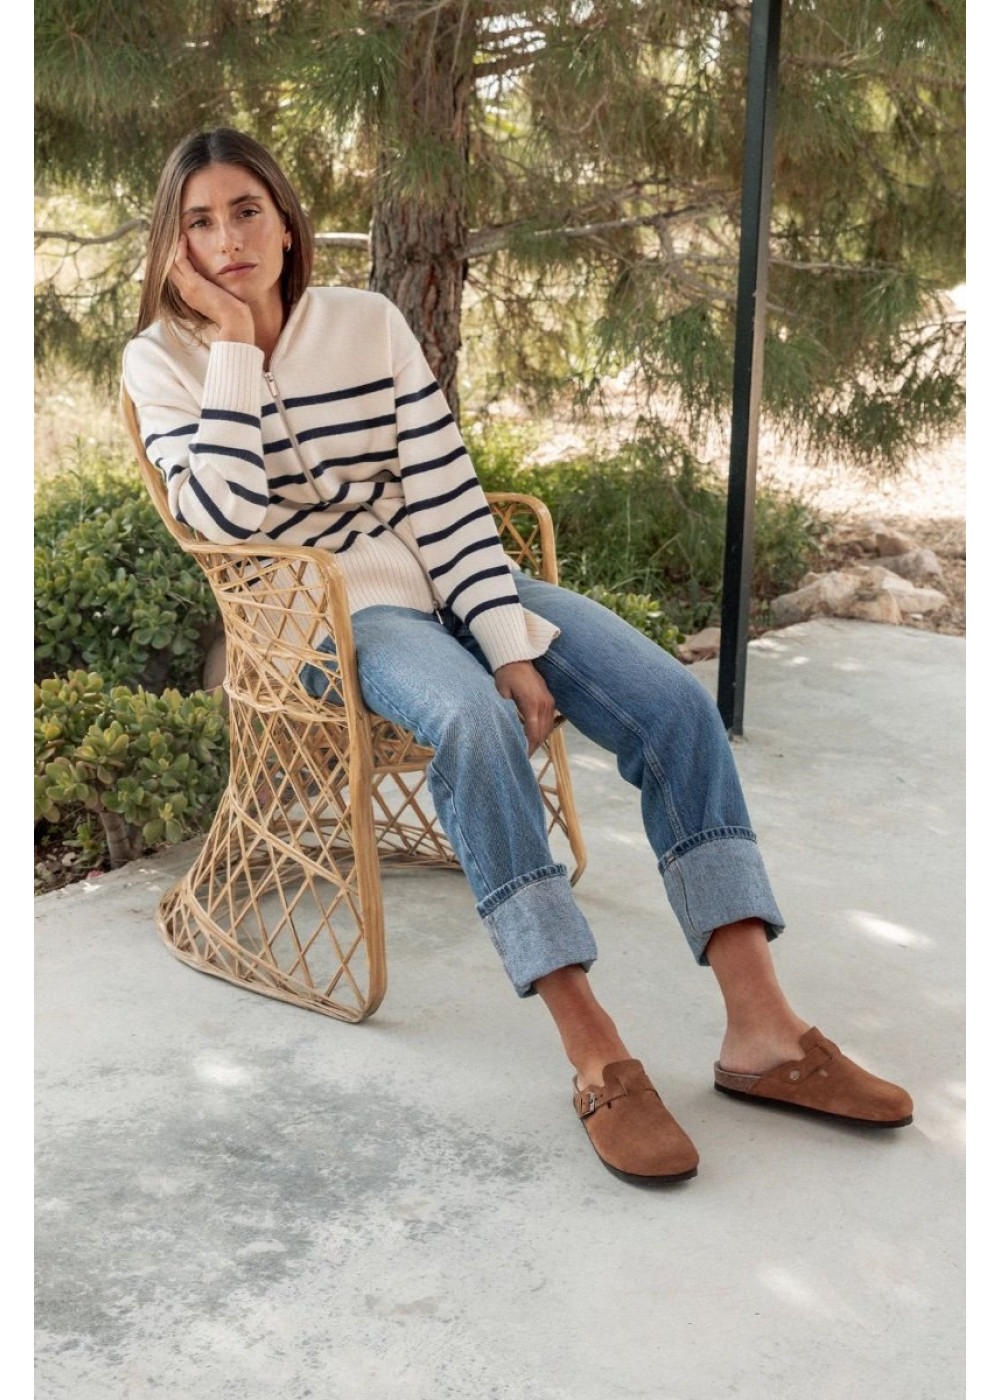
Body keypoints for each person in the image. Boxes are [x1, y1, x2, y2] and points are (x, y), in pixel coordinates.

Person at [122, 128, 913, 1185]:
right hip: (324, 619)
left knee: (673, 704)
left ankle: (762, 1030)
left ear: (287, 221)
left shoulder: (366, 322)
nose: (229, 240)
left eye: (246, 210)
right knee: (475, 722)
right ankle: (592, 1045)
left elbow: (445, 490)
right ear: (174, 244)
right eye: (200, 222)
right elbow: (224, 519)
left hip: (453, 581)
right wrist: (230, 344)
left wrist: (503, 638)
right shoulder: (160, 361)